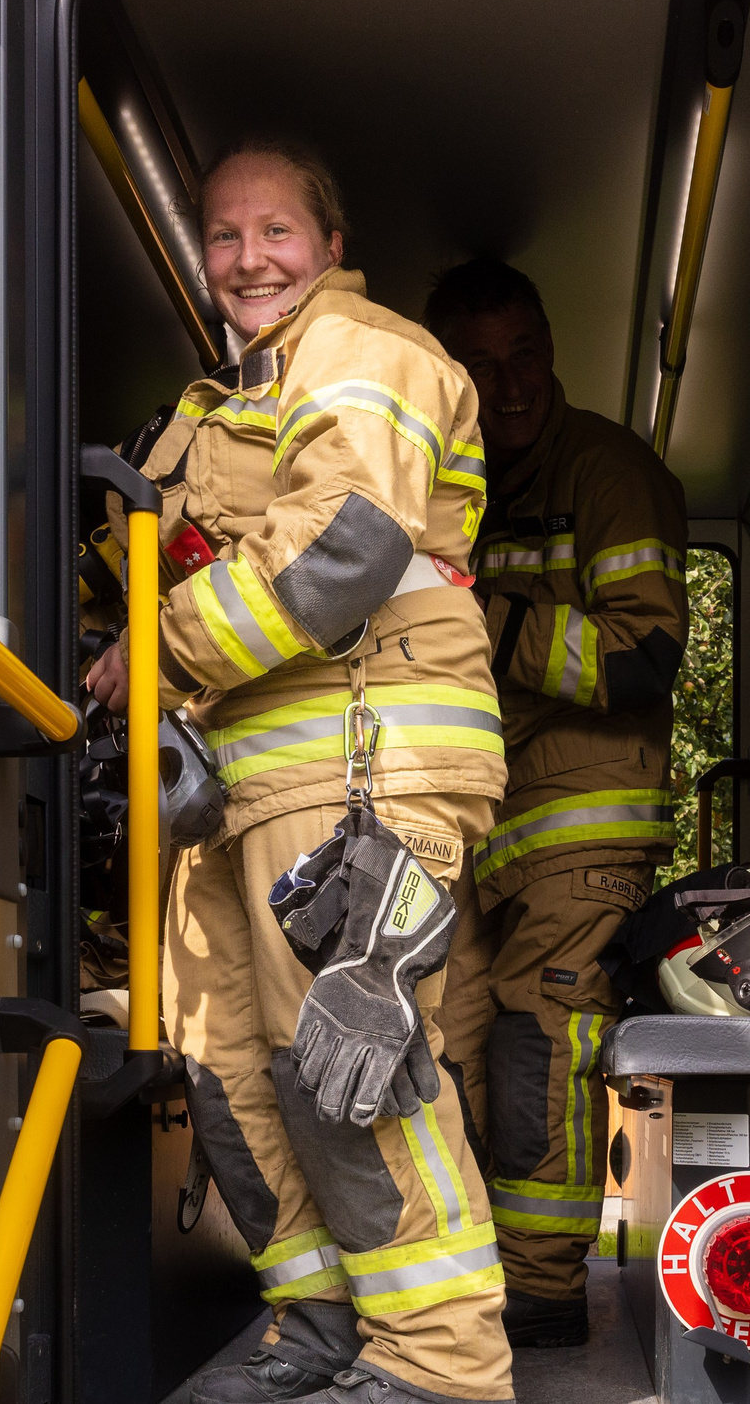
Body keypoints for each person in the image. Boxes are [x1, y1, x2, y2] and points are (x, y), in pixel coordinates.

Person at [87, 145, 513, 1404]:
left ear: (330, 243)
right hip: (246, 784)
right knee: (229, 1062)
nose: (248, 258)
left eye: (276, 231)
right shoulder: (231, 391)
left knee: (352, 1060)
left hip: (362, 756)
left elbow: (349, 537)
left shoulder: (366, 349)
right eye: (223, 237)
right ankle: (321, 1326)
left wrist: (152, 652)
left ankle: (440, 1367)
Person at [421, 258, 689, 1349]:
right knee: (456, 1041)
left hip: (583, 826)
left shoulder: (607, 470)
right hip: (486, 826)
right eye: (480, 365)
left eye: (524, 353)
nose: (511, 382)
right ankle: (478, 1267)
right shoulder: (460, 480)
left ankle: (537, 1289)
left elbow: (645, 660)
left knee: (543, 1045)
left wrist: (492, 617)